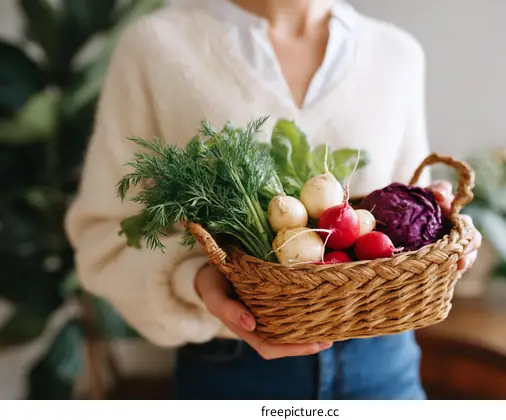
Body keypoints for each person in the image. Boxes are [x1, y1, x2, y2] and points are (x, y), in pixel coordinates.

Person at [65, 0, 482, 400]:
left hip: (381, 364)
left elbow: (409, 230)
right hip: (232, 370)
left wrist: (445, 235)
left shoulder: (396, 54)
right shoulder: (157, 47)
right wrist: (195, 281)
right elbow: (104, 238)